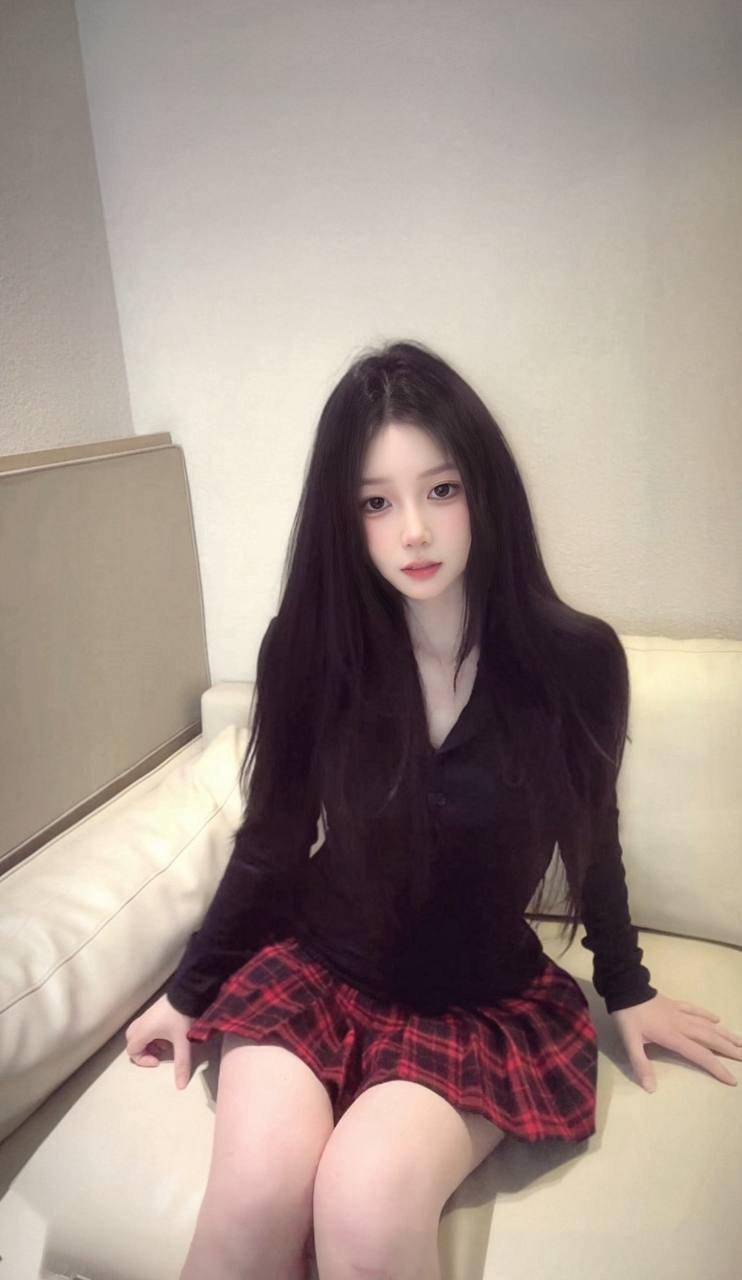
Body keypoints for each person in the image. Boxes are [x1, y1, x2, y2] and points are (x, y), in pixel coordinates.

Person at [126, 339, 741, 1280]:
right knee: (252, 1201)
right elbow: (274, 841)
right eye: (376, 503)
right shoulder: (308, 649)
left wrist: (628, 986)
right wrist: (186, 991)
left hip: (476, 1003)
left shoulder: (576, 662)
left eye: (440, 490)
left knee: (365, 1206)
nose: (413, 531)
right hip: (317, 970)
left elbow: (592, 835)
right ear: (344, 520)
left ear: (484, 491)